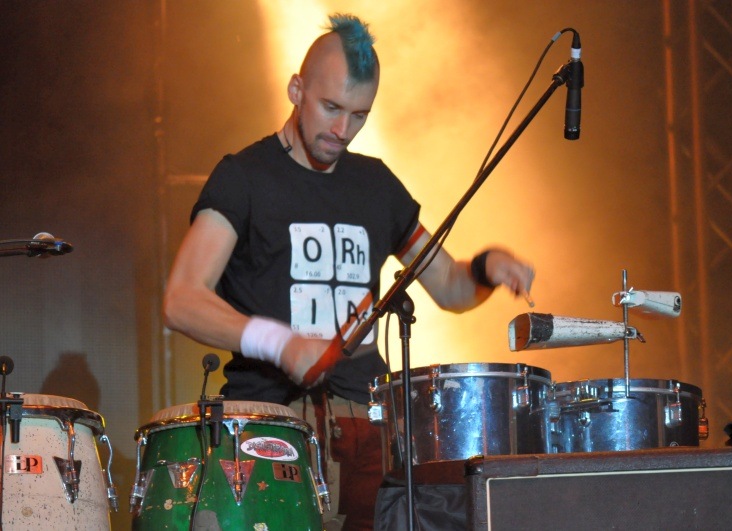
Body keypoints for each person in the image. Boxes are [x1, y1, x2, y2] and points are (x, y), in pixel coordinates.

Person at [163, 13, 535, 530]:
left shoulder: (376, 186)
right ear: (296, 90)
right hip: (271, 427)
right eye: (331, 108)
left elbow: (450, 287)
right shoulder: (243, 177)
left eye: (359, 115)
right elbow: (182, 299)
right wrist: (281, 343)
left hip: (369, 432)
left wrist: (487, 267)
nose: (342, 131)